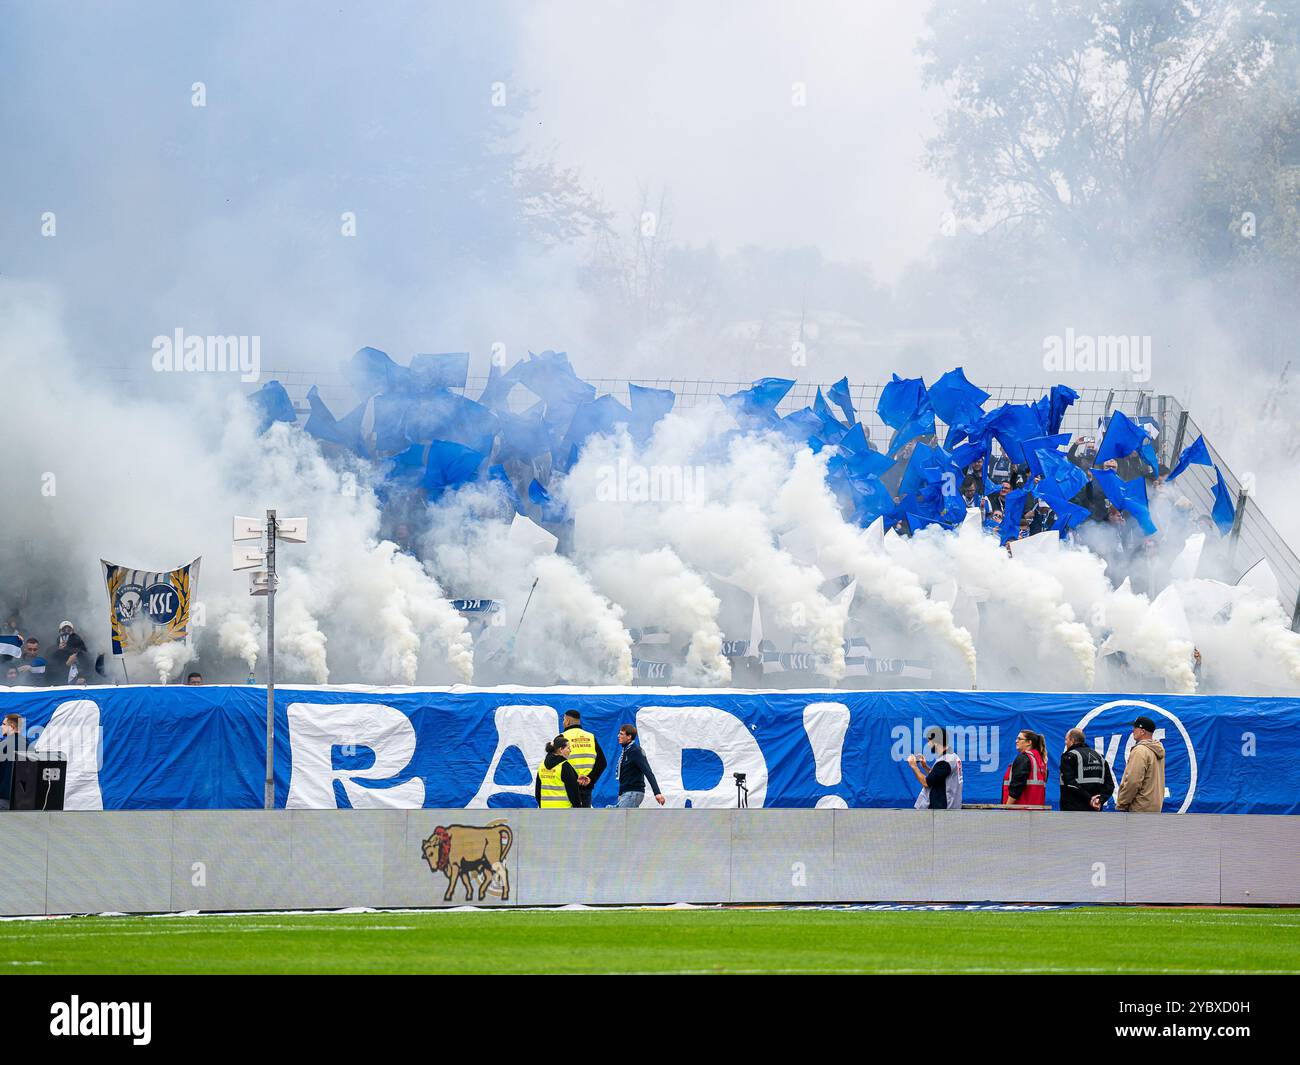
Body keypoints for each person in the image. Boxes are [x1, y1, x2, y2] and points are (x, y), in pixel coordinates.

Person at [906, 726, 963, 810]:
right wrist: (925, 767)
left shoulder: (945, 762)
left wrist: (914, 766)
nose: (928, 745)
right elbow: (937, 777)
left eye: (929, 742)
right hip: (951, 807)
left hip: (943, 810)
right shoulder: (952, 757)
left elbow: (926, 783)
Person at [1116, 715, 1166, 813]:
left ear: (1142, 731)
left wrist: (1122, 803)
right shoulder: (1157, 750)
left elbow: (1133, 781)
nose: (1133, 731)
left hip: (1139, 808)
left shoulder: (1140, 750)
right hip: (1154, 807)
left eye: (1135, 728)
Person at [1058, 728, 1115, 811]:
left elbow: (1069, 782)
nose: (1065, 742)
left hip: (1073, 809)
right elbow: (1109, 785)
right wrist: (1100, 799)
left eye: (1066, 740)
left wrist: (1090, 799)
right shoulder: (1100, 757)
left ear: (1072, 740)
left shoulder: (1069, 757)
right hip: (1095, 808)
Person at [561, 710, 606, 808]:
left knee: (566, 821)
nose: (563, 722)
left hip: (567, 789)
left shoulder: (562, 737)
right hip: (586, 787)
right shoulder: (590, 737)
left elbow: (558, 764)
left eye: (564, 720)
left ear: (568, 721)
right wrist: (590, 778)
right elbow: (602, 762)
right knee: (584, 820)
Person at [613, 724, 665, 808]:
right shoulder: (626, 751)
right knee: (628, 820)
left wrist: (657, 793)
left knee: (617, 817)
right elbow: (624, 774)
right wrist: (620, 793)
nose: (618, 736)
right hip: (627, 793)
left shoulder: (635, 751)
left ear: (629, 737)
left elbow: (648, 771)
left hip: (633, 792)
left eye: (621, 734)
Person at [534, 735, 582, 809]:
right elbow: (573, 792)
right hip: (564, 811)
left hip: (545, 809)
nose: (570, 750)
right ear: (560, 750)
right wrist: (578, 808)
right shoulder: (564, 766)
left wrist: (542, 806)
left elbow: (537, 792)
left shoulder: (541, 765)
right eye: (568, 748)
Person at [1002, 729, 1048, 805]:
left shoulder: (1024, 758)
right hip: (1036, 809)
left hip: (1021, 810)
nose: (1016, 741)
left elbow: (1017, 786)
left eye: (1019, 739)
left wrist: (1007, 806)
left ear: (1029, 742)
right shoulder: (1040, 760)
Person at [51, 621, 88, 685]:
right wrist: (67, 664)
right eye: (63, 630)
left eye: (69, 630)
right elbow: (52, 675)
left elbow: (88, 669)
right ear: (59, 632)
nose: (66, 632)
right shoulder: (53, 651)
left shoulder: (80, 651)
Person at [0, 714, 21, 810]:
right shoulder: (30, 747)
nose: (1, 727)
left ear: (12, 727)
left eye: (4, 724)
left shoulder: (3, 746)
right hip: (23, 800)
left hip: (3, 800)